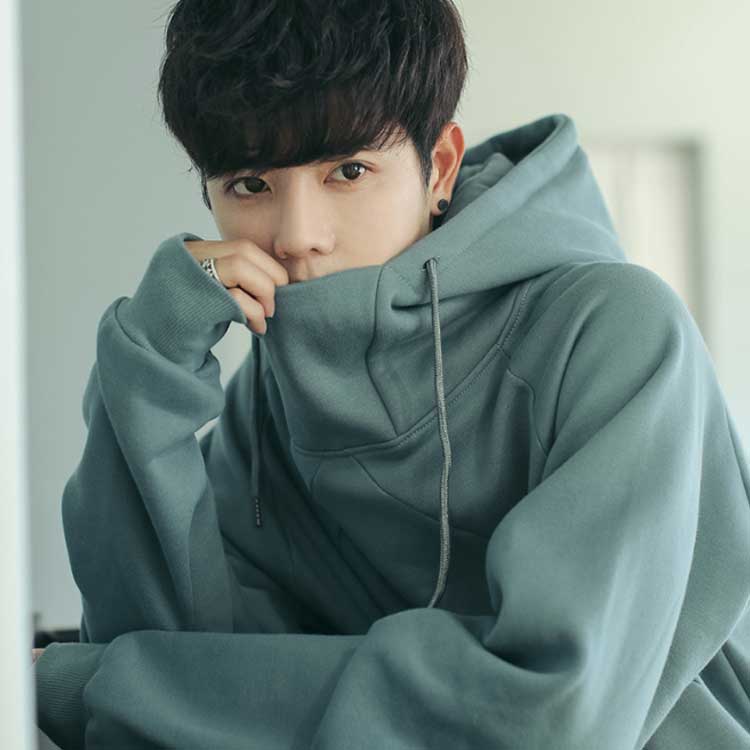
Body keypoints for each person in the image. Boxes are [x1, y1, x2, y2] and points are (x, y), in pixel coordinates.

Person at [33, 1, 750, 748]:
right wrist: (147, 368)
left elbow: (542, 717)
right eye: (249, 184)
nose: (297, 237)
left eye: (348, 171)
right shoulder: (269, 398)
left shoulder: (616, 333)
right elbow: (167, 682)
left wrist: (102, 687)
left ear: (439, 166)